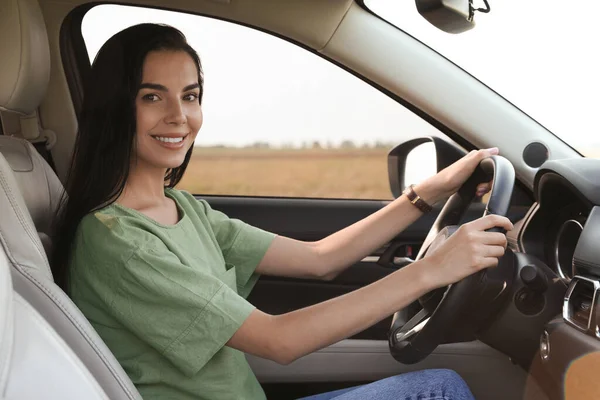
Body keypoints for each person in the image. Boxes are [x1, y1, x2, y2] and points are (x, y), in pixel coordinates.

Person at [51, 23, 512, 400]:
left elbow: (321, 259)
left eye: (190, 96)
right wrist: (429, 271)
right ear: (115, 107)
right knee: (440, 391)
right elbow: (279, 341)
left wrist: (429, 191)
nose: (179, 116)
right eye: (152, 97)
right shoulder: (119, 241)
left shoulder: (182, 208)